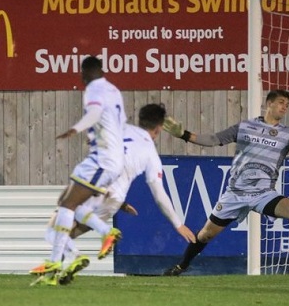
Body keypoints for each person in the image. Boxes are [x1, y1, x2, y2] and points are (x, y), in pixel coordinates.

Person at [160, 89, 289, 276]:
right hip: (235, 193)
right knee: (205, 235)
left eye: (287, 105)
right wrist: (184, 134)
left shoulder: (288, 135)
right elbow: (214, 139)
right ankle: (181, 266)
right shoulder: (245, 127)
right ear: (269, 104)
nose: (285, 107)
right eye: (281, 102)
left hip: (263, 193)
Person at [37, 104, 197, 286]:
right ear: (159, 128)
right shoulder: (151, 154)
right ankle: (68, 264)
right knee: (60, 234)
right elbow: (159, 194)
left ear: (140, 120)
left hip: (95, 190)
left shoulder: (121, 129)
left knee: (54, 228)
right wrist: (178, 224)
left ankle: (82, 250)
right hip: (112, 202)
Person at [30, 56, 126, 283]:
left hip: (102, 159)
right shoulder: (114, 90)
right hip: (111, 159)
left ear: (86, 72)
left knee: (66, 205)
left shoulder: (93, 88)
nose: (81, 79)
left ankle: (60, 257)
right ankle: (69, 258)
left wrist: (75, 129)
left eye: (81, 74)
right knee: (70, 203)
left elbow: (93, 114)